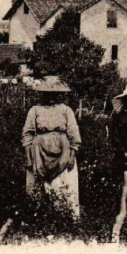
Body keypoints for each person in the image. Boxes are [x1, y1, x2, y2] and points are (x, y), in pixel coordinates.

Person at [22, 76, 82, 219]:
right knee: (37, 186)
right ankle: (39, 219)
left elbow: (74, 134)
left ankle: (66, 218)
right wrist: (28, 157)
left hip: (62, 152)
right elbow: (27, 135)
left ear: (59, 94)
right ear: (42, 94)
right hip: (39, 153)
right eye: (47, 94)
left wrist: (72, 156)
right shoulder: (35, 110)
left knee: (64, 184)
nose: (51, 97)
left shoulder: (66, 110)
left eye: (54, 94)